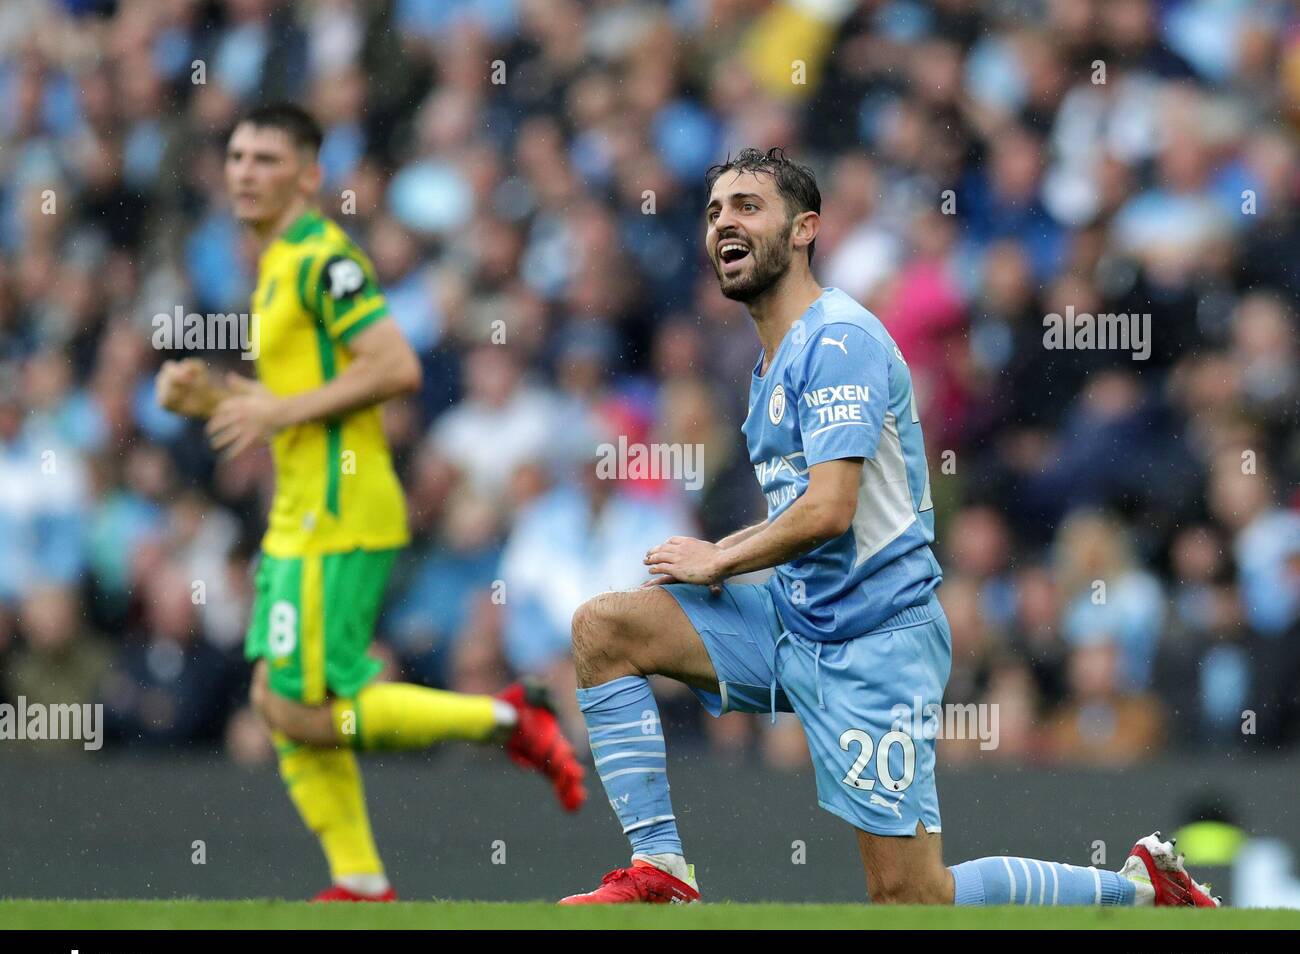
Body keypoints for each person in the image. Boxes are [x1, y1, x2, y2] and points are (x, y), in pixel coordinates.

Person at [559, 147, 1216, 909]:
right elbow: (804, 515)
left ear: (804, 229)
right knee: (605, 630)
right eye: (713, 212)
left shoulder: (840, 340)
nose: (723, 224)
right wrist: (727, 558)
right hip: (792, 624)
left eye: (746, 206)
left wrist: (719, 561)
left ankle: (1139, 894)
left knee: (912, 897)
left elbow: (830, 509)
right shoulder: (768, 363)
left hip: (875, 643)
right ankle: (662, 871)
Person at [155, 103, 584, 903]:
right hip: (299, 511)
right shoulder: (276, 263)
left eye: (267, 158)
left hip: (342, 509)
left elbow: (393, 367)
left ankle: (508, 720)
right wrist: (207, 396)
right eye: (238, 156)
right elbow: (292, 400)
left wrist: (272, 410)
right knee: (273, 699)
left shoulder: (325, 260)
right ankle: (359, 879)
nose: (245, 171)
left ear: (310, 175)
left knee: (303, 709)